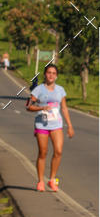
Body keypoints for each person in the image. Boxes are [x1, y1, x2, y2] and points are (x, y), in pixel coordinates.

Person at [26, 63, 74, 192]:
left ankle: (52, 180)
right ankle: (41, 181)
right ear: (45, 75)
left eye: (53, 73)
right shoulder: (38, 90)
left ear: (56, 76)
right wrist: (41, 107)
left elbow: (64, 108)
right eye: (49, 73)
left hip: (56, 124)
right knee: (43, 153)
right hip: (41, 124)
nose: (51, 75)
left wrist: (69, 125)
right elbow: (29, 106)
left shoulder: (60, 90)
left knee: (58, 151)